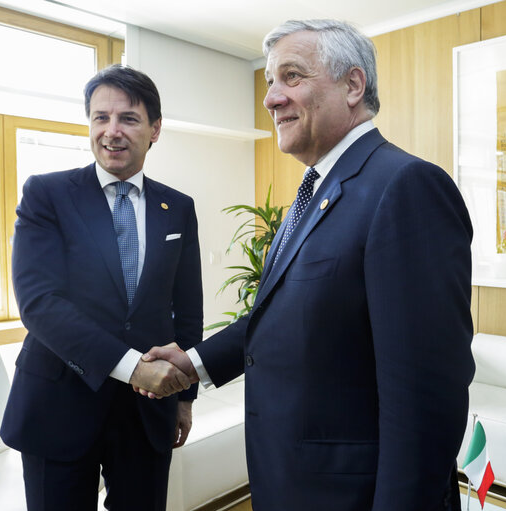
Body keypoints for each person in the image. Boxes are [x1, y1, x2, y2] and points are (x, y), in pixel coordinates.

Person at [141, 19, 475, 511]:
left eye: (291, 77)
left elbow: (426, 396)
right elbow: (281, 315)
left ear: (353, 86)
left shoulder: (405, 187)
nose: (272, 98)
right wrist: (194, 363)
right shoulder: (315, 191)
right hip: (291, 484)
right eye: (270, 82)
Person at [0, 64, 203, 511]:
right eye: (100, 118)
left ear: (155, 129)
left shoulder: (178, 208)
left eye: (128, 119)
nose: (112, 131)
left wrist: (184, 398)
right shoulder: (47, 195)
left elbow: (187, 311)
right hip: (59, 403)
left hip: (148, 410)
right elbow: (39, 304)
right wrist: (131, 366)